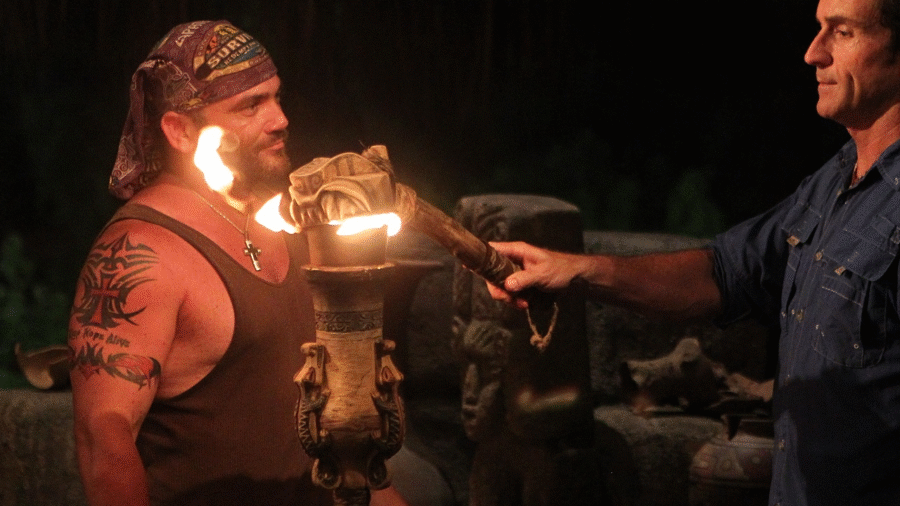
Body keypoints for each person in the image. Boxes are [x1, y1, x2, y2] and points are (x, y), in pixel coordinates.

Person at [486, 0, 900, 505]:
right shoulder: (833, 181)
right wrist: (575, 270)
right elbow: (723, 272)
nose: (814, 53)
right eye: (819, 29)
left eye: (843, 32)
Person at [67, 20, 409, 506]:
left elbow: (339, 431)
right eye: (251, 105)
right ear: (181, 131)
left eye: (275, 97)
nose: (280, 119)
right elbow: (103, 441)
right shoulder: (142, 253)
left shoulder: (286, 224)